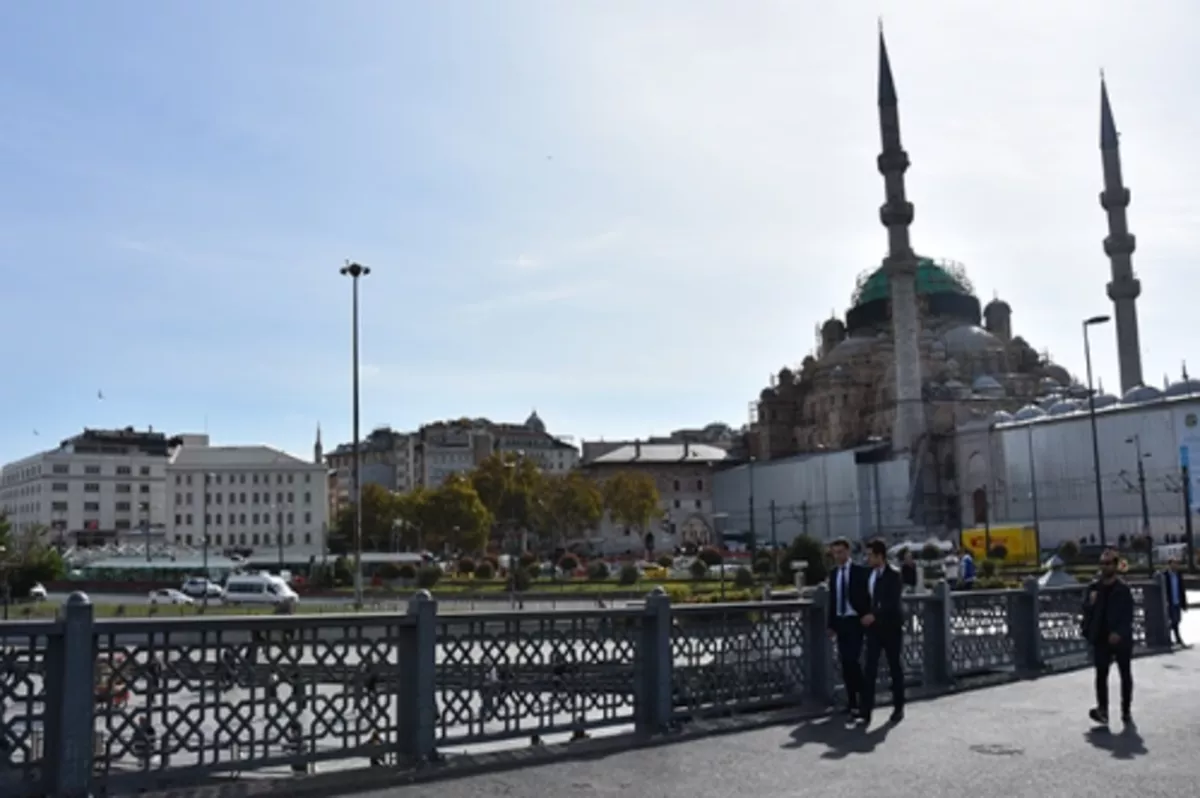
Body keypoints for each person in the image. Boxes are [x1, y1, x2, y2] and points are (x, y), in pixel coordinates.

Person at [1081, 548, 1135, 727]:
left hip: (1121, 639)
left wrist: (1119, 632)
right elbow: (1085, 610)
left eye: (1108, 563)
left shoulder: (1123, 589)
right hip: (1101, 637)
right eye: (1102, 563)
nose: (1104, 567)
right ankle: (1102, 710)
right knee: (1101, 674)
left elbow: (1129, 615)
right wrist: (1091, 602)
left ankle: (1125, 710)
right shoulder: (1094, 587)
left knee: (1124, 675)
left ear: (1116, 565)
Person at [860, 539, 906, 726]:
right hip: (873, 630)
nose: (867, 558)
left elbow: (891, 601)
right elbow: (866, 598)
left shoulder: (893, 574)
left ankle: (898, 706)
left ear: (880, 556)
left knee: (895, 667)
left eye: (870, 555)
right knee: (869, 668)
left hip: (891, 627)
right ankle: (866, 710)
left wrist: (874, 614)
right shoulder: (868, 574)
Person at [826, 537, 870, 725]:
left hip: (855, 620)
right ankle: (852, 702)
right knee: (845, 664)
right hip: (841, 622)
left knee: (853, 661)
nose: (838, 556)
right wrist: (831, 625)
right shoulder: (834, 573)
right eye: (835, 553)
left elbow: (869, 595)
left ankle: (864, 700)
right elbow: (833, 600)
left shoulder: (860, 571)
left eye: (841, 552)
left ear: (848, 552)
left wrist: (868, 614)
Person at [1161, 556, 1189, 647]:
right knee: (1172, 620)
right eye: (1174, 563)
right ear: (1169, 565)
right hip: (1169, 602)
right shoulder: (1164, 575)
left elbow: (1182, 589)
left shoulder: (1178, 575)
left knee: (1177, 620)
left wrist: (1184, 603)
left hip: (1177, 601)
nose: (1176, 565)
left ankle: (1173, 638)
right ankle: (1175, 639)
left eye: (1177, 563)